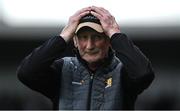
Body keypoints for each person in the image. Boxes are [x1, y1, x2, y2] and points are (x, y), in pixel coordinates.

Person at [17, 6, 155, 110]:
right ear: (75, 41)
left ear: (108, 41)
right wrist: (63, 37)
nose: (89, 45)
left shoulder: (123, 72)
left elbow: (144, 73)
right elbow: (27, 73)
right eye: (83, 37)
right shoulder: (61, 70)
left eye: (97, 37)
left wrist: (115, 33)